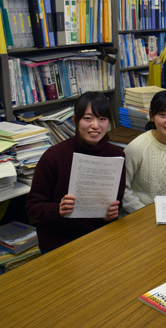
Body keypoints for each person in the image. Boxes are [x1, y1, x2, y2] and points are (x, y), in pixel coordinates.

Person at [26, 92, 126, 253]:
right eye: (88, 118)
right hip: (60, 238)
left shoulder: (117, 155)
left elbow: (117, 200)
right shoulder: (54, 156)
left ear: (109, 122)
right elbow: (33, 206)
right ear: (75, 120)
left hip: (99, 234)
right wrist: (58, 210)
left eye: (102, 119)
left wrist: (111, 213)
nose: (95, 125)